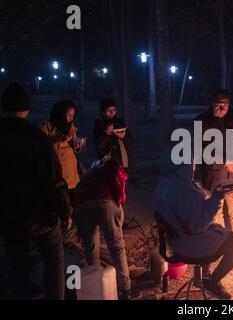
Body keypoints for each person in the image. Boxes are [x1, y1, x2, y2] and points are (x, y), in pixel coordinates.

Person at [0, 83, 72, 300]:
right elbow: (53, 180)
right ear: (27, 108)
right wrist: (65, 211)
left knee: (17, 266)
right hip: (41, 219)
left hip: (8, 219)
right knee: (55, 261)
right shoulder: (36, 137)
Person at [153, 147, 233, 300]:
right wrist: (217, 198)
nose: (194, 166)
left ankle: (202, 276)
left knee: (219, 231)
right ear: (182, 164)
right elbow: (198, 226)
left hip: (176, 242)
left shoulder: (163, 184)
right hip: (191, 245)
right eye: (191, 162)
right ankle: (212, 282)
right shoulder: (183, 190)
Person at [73, 160, 133, 299]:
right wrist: (118, 223)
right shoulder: (113, 172)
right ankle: (126, 289)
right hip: (105, 202)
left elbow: (76, 194)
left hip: (81, 207)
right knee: (116, 246)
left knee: (91, 246)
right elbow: (119, 196)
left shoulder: (92, 174)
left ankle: (97, 287)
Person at [194, 89, 233, 235]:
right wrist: (225, 161)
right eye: (219, 104)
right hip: (214, 173)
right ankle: (220, 242)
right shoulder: (201, 121)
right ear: (212, 103)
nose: (222, 108)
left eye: (226, 105)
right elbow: (202, 149)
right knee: (216, 209)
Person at [40, 100, 83, 195]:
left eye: (73, 116)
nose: (71, 119)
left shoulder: (71, 127)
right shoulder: (47, 127)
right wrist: (59, 140)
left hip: (71, 173)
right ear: (60, 114)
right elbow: (41, 147)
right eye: (68, 115)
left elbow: (74, 148)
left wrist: (77, 146)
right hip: (57, 172)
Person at [93, 98, 133, 169]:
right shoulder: (99, 125)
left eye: (114, 110)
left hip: (121, 161)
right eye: (109, 110)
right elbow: (98, 147)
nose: (112, 112)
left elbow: (130, 143)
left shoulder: (120, 121)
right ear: (103, 111)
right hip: (106, 164)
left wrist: (123, 137)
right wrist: (106, 134)